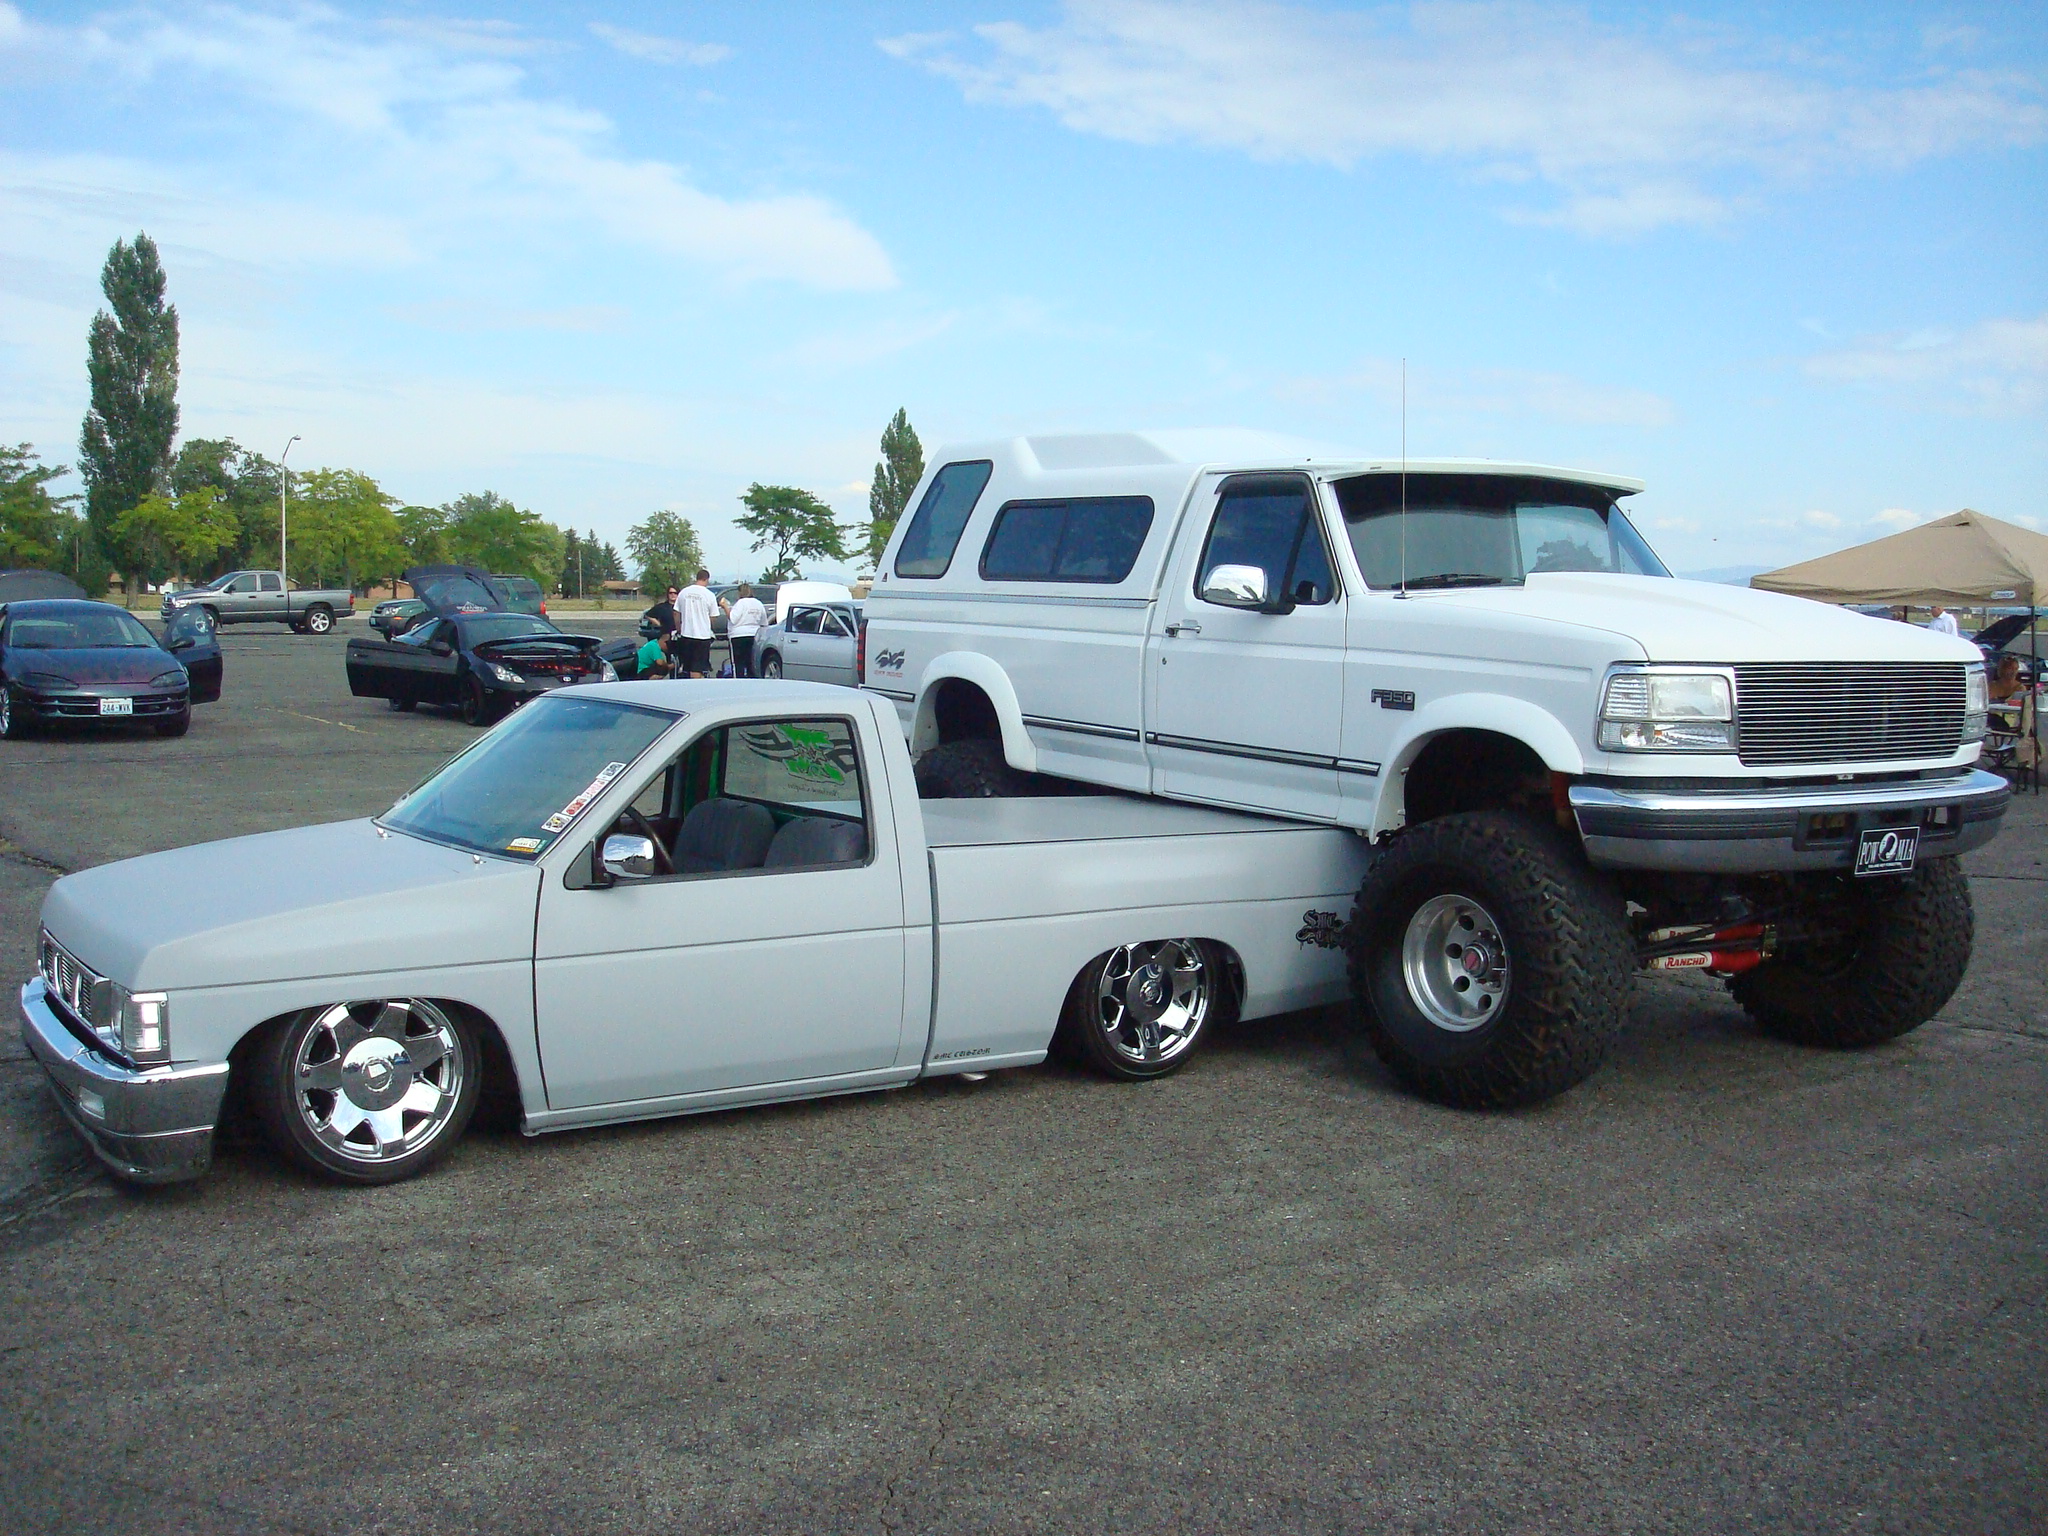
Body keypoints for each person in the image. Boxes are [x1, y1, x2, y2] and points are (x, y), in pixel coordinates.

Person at [675, 568, 718, 678]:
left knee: (687, 667)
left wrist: (679, 628)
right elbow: (713, 617)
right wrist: (708, 626)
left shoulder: (684, 592)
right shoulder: (709, 595)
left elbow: (676, 612)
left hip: (686, 634)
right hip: (702, 636)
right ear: (706, 579)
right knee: (697, 668)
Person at [725, 582, 767, 677]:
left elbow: (733, 618)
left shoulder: (740, 603)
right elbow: (764, 622)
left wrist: (725, 607)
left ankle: (739, 680)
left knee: (738, 662)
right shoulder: (758, 603)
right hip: (754, 634)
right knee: (750, 661)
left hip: (738, 635)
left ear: (740, 593)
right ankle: (751, 680)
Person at [643, 586, 680, 668]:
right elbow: (648, 614)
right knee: (670, 658)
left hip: (680, 635)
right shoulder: (662, 607)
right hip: (666, 635)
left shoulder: (682, 606)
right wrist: (657, 623)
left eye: (675, 593)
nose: (673, 595)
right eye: (670, 593)